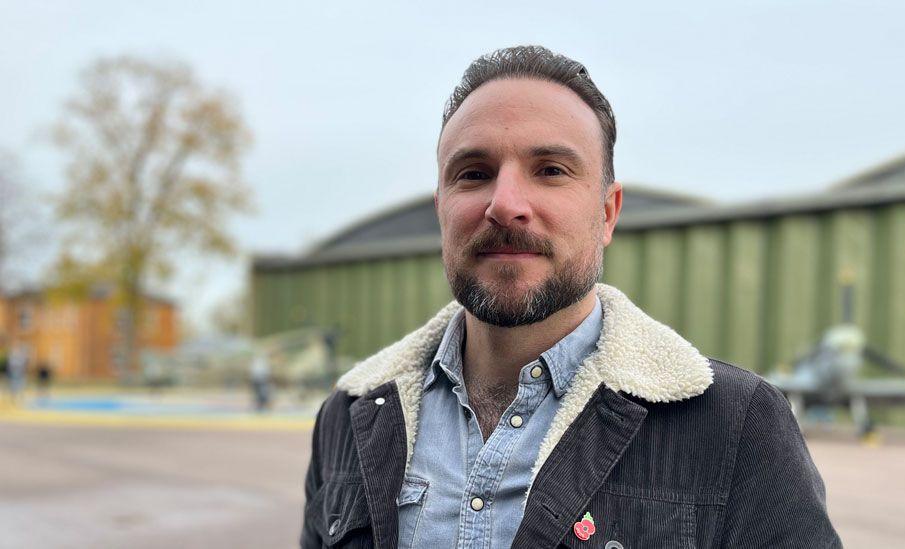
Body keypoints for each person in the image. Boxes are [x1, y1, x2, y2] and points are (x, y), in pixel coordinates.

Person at [301, 46, 840, 548]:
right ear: (441, 208)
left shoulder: (736, 425)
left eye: (551, 171)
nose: (505, 204)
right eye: (474, 173)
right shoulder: (349, 417)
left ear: (607, 213)